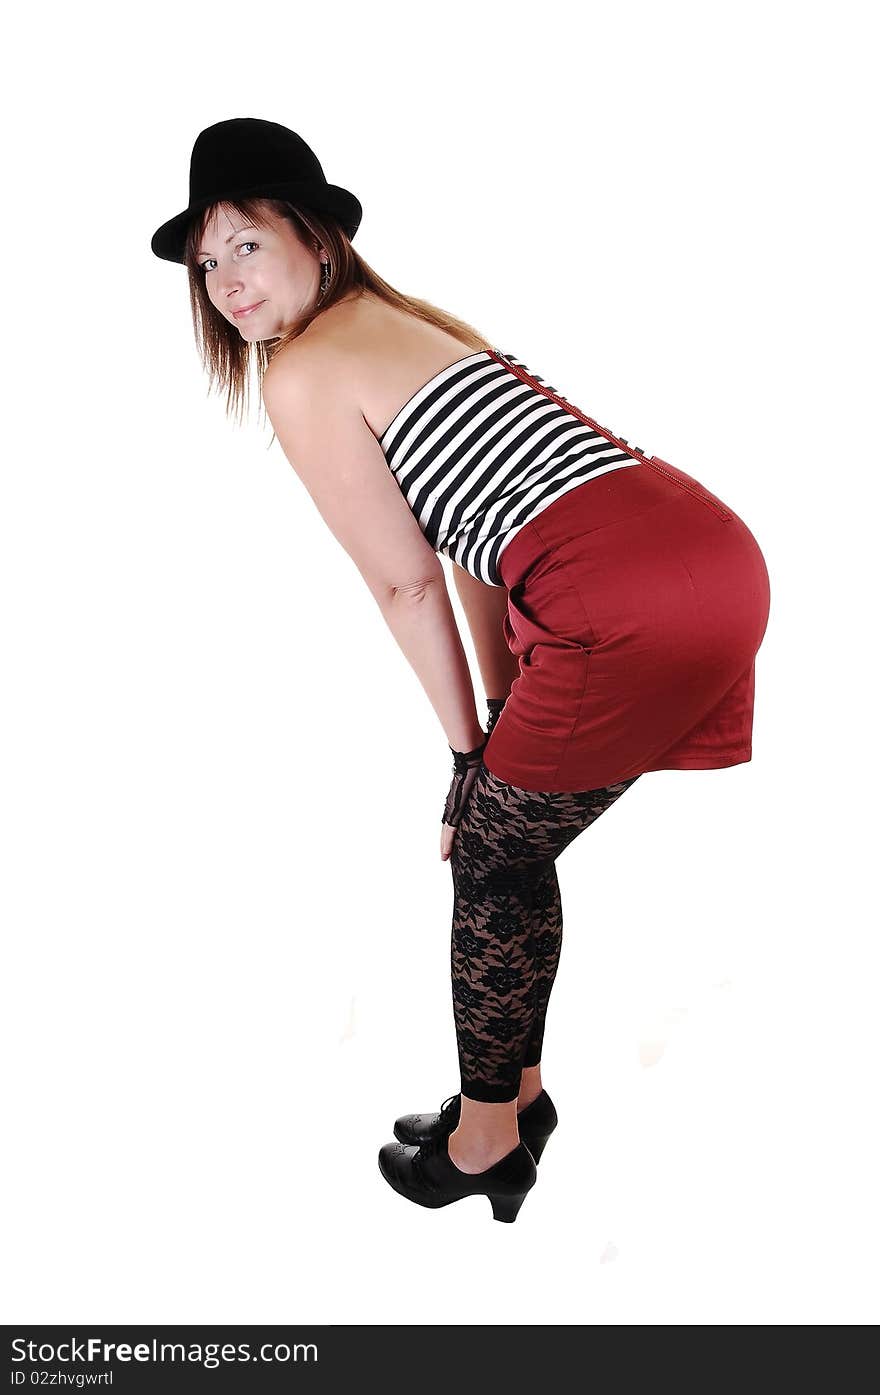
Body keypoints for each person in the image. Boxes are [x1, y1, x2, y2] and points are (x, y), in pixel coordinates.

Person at [151, 118, 772, 1224]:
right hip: (706, 550)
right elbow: (476, 541)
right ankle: (519, 1097)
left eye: (245, 244)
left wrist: (464, 758)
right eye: (205, 265)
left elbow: (406, 586)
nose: (225, 284)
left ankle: (484, 1142)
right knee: (509, 846)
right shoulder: (409, 325)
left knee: (487, 858)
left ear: (319, 236)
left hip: (616, 596)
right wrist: (490, 727)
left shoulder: (303, 373)